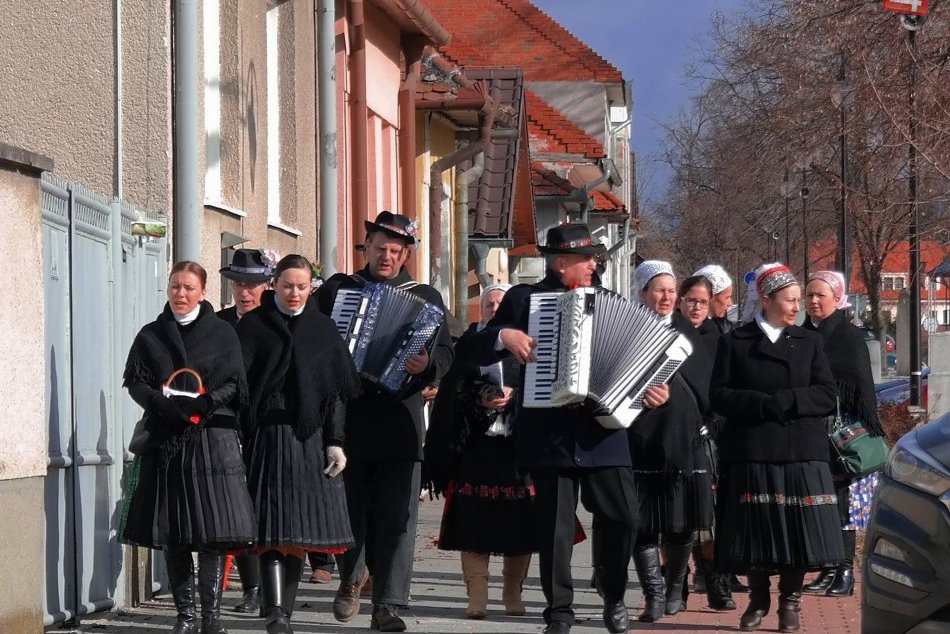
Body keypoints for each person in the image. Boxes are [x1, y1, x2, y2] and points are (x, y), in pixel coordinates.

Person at [468, 224, 651, 634]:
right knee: (555, 529)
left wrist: (651, 390)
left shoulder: (608, 301)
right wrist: (503, 334)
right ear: (561, 261)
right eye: (588, 258)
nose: (594, 265)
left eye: (595, 258)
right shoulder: (523, 299)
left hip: (603, 432)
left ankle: (614, 592)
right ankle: (560, 612)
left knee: (624, 517)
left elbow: (636, 360)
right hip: (550, 433)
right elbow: (476, 349)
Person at [317, 211, 454, 633]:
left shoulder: (426, 297)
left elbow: (447, 353)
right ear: (368, 247)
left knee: (398, 518)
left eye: (396, 251)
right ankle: (351, 577)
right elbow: (316, 341)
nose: (387, 257)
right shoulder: (340, 290)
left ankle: (388, 604)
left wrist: (427, 365)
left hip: (401, 422)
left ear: (406, 254)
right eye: (380, 249)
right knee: (351, 511)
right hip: (350, 421)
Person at [120, 261, 256, 634]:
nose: (181, 294)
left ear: (203, 292)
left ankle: (211, 617)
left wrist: (203, 404)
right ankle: (185, 616)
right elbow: (136, 381)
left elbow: (234, 383)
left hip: (212, 441)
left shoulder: (223, 333)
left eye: (189, 288)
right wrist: (161, 405)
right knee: (174, 532)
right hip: (166, 442)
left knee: (212, 533)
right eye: (175, 286)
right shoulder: (151, 334)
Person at [711, 263, 843, 633]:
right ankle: (758, 598)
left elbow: (826, 394)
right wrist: (758, 404)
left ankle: (790, 601)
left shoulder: (809, 341)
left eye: (799, 301)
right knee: (756, 530)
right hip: (752, 449)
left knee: (797, 531)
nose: (796, 307)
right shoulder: (734, 342)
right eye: (789, 300)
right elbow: (719, 395)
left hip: (800, 450)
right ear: (766, 299)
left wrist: (787, 400)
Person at [236, 254, 362, 634]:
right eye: (287, 285)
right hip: (265, 437)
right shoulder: (253, 326)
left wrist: (336, 442)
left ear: (311, 288)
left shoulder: (322, 329)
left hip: (308, 440)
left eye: (302, 287)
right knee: (270, 529)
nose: (294, 293)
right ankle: (274, 610)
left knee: (297, 532)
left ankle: (283, 613)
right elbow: (239, 388)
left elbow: (336, 392)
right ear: (274, 283)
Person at [424, 283, 536, 620]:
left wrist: (517, 397)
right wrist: (480, 397)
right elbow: (454, 388)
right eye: (489, 303)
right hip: (476, 446)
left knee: (521, 524)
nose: (495, 307)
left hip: (517, 446)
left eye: (501, 303)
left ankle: (512, 592)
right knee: (474, 525)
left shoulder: (532, 343)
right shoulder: (471, 343)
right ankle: (477, 596)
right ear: (483, 309)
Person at [628, 262, 714, 623]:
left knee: (680, 524)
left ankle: (676, 584)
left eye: (670, 290)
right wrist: (640, 393)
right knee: (642, 524)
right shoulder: (628, 331)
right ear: (643, 293)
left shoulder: (689, 334)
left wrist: (674, 398)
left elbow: (706, 391)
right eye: (658, 290)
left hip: (682, 440)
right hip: (639, 438)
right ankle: (653, 594)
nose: (666, 297)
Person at [802, 270, 885, 598]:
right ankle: (826, 569)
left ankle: (845, 573)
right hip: (811, 432)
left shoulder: (848, 337)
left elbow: (861, 386)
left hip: (843, 436)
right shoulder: (802, 334)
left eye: (820, 295)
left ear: (837, 299)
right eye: (809, 295)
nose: (813, 301)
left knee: (844, 506)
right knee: (822, 504)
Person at [217, 248, 275, 614]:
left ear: (266, 285)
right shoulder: (220, 324)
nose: (245, 292)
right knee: (234, 508)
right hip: (226, 426)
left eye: (252, 284)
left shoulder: (274, 323)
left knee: (264, 508)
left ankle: (270, 588)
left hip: (266, 428)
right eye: (239, 283)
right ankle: (250, 587)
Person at [694, 264, 735, 335]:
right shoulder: (687, 330)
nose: (730, 303)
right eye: (727, 297)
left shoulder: (724, 327)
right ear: (711, 297)